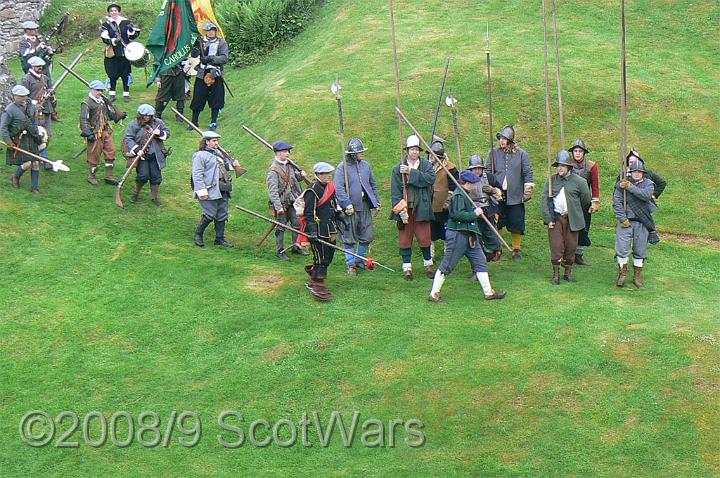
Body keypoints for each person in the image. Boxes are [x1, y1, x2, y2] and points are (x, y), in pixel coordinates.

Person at [428, 170, 507, 303]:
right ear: (467, 183)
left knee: (480, 262)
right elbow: (457, 215)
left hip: (470, 235)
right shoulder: (459, 195)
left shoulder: (465, 194)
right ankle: (434, 293)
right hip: (458, 235)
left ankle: (488, 292)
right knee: (447, 265)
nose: (475, 185)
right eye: (473, 183)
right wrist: (474, 213)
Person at [541, 151, 592, 285]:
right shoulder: (552, 180)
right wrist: (548, 219)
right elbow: (545, 199)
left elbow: (586, 199)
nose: (560, 168)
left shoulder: (580, 182)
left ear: (569, 167)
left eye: (563, 166)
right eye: (558, 165)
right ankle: (556, 274)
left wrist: (574, 209)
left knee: (571, 245)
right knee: (556, 245)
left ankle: (568, 272)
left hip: (572, 219)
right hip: (556, 218)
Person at [390, 135, 436, 280]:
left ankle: (428, 265)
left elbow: (430, 179)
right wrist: (399, 208)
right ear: (407, 150)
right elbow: (395, 190)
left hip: (422, 206)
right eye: (412, 149)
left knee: (425, 238)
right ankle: (407, 268)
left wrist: (411, 172)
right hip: (406, 208)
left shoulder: (427, 165)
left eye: (416, 149)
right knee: (405, 238)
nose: (414, 152)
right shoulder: (397, 168)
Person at [487, 125, 534, 260]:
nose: (502, 141)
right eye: (501, 138)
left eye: (504, 138)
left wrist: (528, 189)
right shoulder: (493, 153)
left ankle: (516, 248)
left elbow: (527, 172)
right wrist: (491, 188)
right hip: (498, 192)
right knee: (497, 220)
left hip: (515, 193)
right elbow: (488, 172)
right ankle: (498, 248)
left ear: (510, 140)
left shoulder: (521, 154)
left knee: (516, 222)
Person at [334, 138, 380, 276]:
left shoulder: (366, 166)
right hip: (350, 209)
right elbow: (339, 188)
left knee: (367, 235)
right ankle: (350, 264)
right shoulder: (342, 168)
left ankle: (360, 260)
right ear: (353, 153)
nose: (362, 153)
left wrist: (376, 202)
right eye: (360, 152)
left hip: (364, 206)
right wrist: (346, 203)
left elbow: (373, 184)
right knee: (349, 237)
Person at [613, 159, 658, 288]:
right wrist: (623, 219)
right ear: (630, 172)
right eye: (634, 171)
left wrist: (630, 187)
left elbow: (646, 195)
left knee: (640, 249)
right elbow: (617, 203)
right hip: (625, 222)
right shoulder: (621, 185)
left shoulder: (648, 184)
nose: (637, 174)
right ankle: (622, 274)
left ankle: (637, 277)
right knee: (622, 249)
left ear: (643, 173)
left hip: (642, 221)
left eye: (639, 172)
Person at [191, 131, 240, 248]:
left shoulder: (218, 153)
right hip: (209, 188)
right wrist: (202, 191)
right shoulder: (199, 155)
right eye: (213, 141)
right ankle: (198, 235)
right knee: (209, 214)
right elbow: (197, 175)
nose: (216, 143)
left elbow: (224, 166)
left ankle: (220, 238)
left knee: (222, 213)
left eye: (217, 140)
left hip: (222, 187)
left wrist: (234, 164)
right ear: (206, 142)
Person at [303, 162, 341, 301]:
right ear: (318, 175)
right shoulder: (312, 190)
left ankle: (314, 275)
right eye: (325, 174)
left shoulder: (330, 187)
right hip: (317, 229)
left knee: (329, 255)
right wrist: (312, 231)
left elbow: (333, 205)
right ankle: (318, 283)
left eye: (329, 173)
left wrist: (339, 218)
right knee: (320, 257)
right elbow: (309, 212)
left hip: (329, 227)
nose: (328, 176)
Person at [80, 80, 127, 185]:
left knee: (111, 151)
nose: (100, 92)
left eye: (101, 90)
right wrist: (88, 132)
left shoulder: (103, 101)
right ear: (92, 89)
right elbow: (83, 119)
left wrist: (119, 116)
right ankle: (91, 176)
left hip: (106, 130)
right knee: (94, 155)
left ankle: (109, 176)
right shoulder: (86, 103)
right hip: (94, 132)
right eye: (98, 90)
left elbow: (109, 115)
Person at [266, 141, 308, 260]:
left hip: (293, 200)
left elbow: (295, 179)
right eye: (285, 151)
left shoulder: (290, 165)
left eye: (288, 151)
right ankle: (280, 250)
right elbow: (273, 191)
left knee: (297, 224)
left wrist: (302, 175)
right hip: (282, 203)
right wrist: (278, 207)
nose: (287, 153)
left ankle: (296, 246)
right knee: (281, 227)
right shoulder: (273, 171)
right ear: (278, 153)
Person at [124, 104, 170, 205]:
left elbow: (167, 133)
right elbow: (129, 138)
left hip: (155, 155)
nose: (147, 117)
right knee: (143, 176)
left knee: (156, 177)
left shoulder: (158, 122)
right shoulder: (134, 124)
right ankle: (136, 193)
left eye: (149, 115)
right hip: (142, 156)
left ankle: (154, 198)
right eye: (145, 115)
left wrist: (160, 133)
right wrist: (137, 150)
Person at [2, 85, 43, 194]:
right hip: (18, 140)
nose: (23, 98)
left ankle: (34, 188)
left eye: (24, 96)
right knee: (27, 163)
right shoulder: (9, 110)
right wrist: (8, 141)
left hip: (31, 138)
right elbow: (3, 127)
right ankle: (15, 177)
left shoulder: (31, 107)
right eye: (20, 96)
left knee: (36, 163)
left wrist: (37, 134)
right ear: (15, 96)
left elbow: (34, 122)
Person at [189, 22, 228, 131]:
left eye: (212, 30)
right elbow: (194, 55)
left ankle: (213, 122)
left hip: (215, 73)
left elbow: (224, 58)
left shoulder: (221, 43)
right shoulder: (201, 42)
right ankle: (194, 122)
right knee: (198, 97)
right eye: (208, 30)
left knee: (216, 98)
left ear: (215, 31)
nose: (210, 32)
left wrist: (211, 58)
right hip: (202, 74)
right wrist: (195, 48)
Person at [568, 139, 600, 265]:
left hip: (585, 202)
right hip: (570, 201)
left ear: (584, 153)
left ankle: (579, 255)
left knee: (584, 228)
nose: (577, 153)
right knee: (569, 228)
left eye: (580, 151)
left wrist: (595, 202)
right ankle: (568, 255)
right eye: (575, 151)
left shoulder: (592, 166)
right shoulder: (566, 164)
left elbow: (595, 186)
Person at [101, 3, 140, 103]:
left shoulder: (126, 22)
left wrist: (132, 30)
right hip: (112, 53)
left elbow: (131, 36)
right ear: (109, 13)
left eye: (115, 10)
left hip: (124, 52)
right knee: (112, 74)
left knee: (125, 74)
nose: (114, 12)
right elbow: (104, 37)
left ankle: (126, 94)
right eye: (111, 11)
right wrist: (113, 40)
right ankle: (112, 94)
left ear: (118, 11)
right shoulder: (106, 24)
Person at [467, 153, 503, 262]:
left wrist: (493, 190)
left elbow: (501, 193)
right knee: (475, 237)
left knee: (492, 235)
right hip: (473, 211)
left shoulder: (489, 177)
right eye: (475, 169)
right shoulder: (465, 178)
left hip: (487, 210)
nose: (477, 171)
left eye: (479, 168)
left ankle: (495, 251)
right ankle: (479, 257)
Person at [21, 56, 55, 170]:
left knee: (48, 135)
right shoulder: (26, 79)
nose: (40, 68)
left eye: (41, 66)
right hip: (34, 112)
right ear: (32, 66)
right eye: (37, 66)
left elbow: (51, 89)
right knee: (38, 135)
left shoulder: (44, 77)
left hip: (46, 109)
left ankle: (40, 156)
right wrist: (34, 103)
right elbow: (24, 96)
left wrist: (51, 93)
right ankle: (43, 159)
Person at [428, 140, 459, 260]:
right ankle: (430, 255)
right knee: (430, 233)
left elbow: (454, 187)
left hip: (444, 208)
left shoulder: (450, 168)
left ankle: (448, 254)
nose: (430, 156)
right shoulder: (426, 166)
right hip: (430, 206)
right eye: (430, 154)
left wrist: (448, 202)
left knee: (446, 232)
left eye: (433, 154)